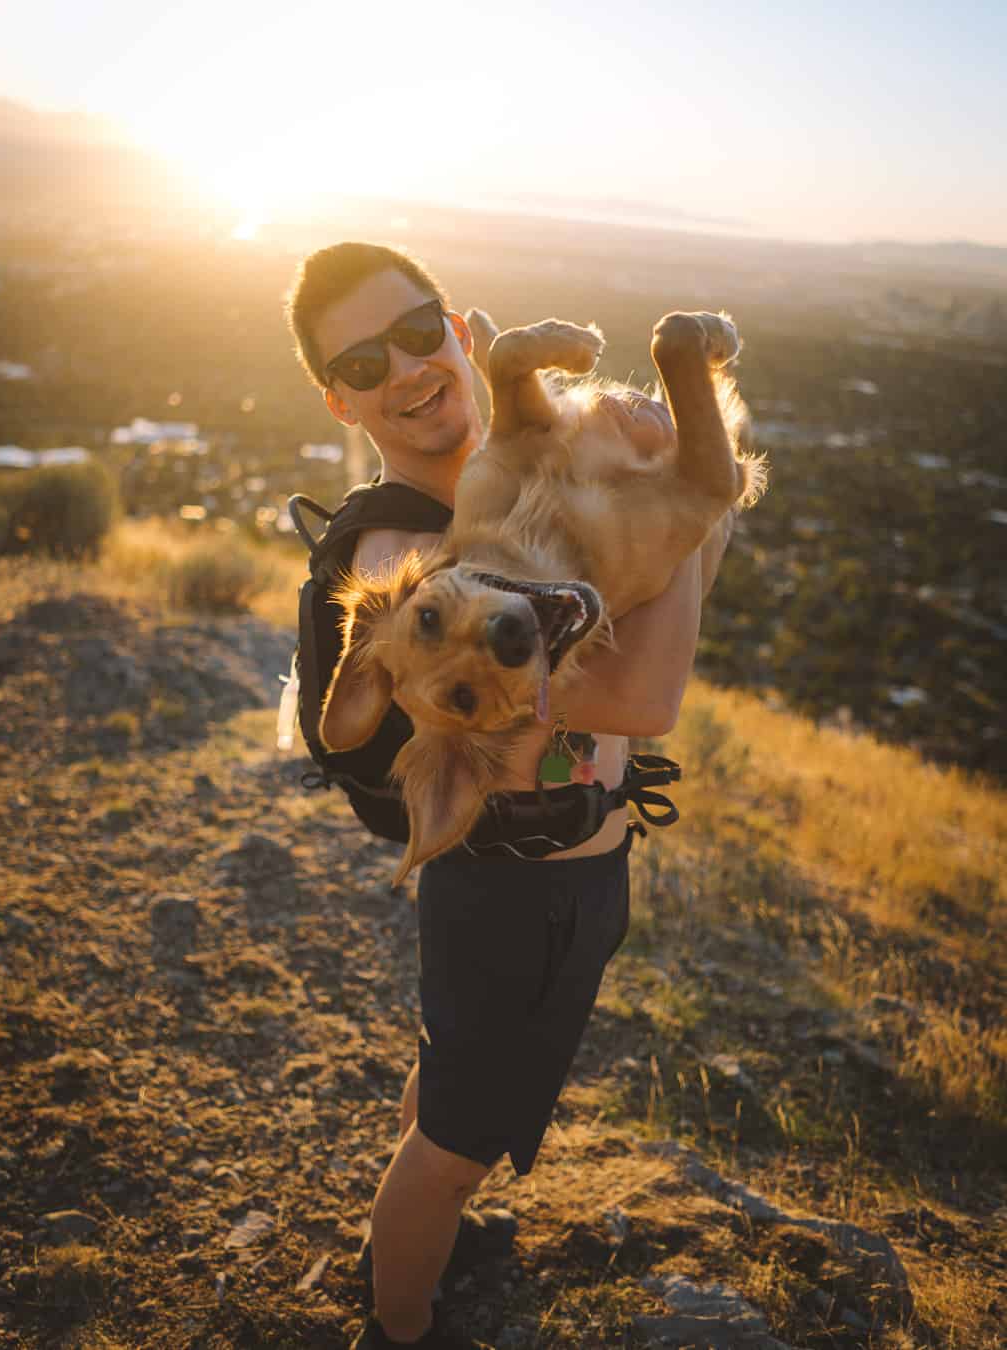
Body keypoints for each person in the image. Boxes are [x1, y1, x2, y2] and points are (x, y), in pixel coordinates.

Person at [286, 241, 733, 1349]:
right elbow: (643, 694)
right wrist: (693, 509)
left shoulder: (506, 488)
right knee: (455, 1146)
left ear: (459, 333)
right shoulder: (407, 547)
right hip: (515, 904)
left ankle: (414, 1229)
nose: (402, 365)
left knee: (449, 1096)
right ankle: (400, 1323)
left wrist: (624, 454)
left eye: (417, 328)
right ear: (338, 395)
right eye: (361, 357)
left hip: (571, 876)